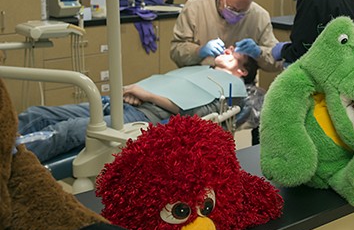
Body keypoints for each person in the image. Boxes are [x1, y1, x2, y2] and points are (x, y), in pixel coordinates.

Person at [17, 49, 263, 163]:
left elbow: (194, 114)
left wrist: (146, 96)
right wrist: (136, 90)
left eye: (233, 56)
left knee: (66, 131)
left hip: (142, 116)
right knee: (38, 114)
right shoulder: (200, 68)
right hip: (121, 102)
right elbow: (163, 82)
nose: (227, 50)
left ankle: (10, 160)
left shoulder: (233, 91)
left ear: (241, 71)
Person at [170, 0, 280, 73]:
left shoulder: (259, 16)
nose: (236, 14)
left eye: (242, 11)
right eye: (231, 8)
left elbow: (278, 61)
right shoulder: (195, 7)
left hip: (240, 85)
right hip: (197, 78)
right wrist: (199, 51)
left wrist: (259, 53)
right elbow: (176, 51)